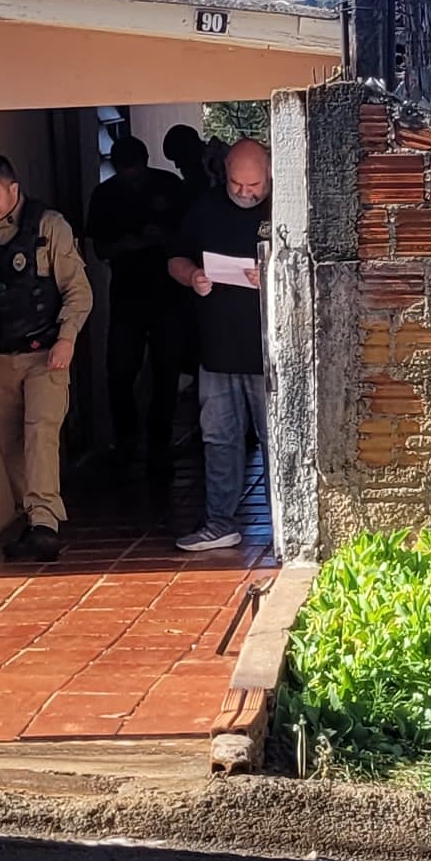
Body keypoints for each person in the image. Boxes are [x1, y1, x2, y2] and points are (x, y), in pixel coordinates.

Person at [0, 152, 90, 562]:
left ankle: (46, 523)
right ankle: (32, 519)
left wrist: (67, 339)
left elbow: (78, 291)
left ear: (13, 189)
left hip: (45, 354)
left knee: (39, 434)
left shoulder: (49, 228)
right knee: (10, 443)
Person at [169, 137, 272, 554]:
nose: (246, 193)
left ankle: (288, 525)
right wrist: (193, 276)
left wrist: (272, 274)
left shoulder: (286, 207)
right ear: (225, 172)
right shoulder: (205, 208)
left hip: (269, 353)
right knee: (219, 439)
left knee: (277, 439)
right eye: (237, 185)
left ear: (268, 176)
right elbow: (174, 259)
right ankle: (219, 523)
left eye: (254, 186)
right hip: (216, 350)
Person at [81, 132, 188, 492]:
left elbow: (189, 236)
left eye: (136, 172)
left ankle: (160, 448)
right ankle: (126, 445)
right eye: (125, 172)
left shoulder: (168, 186)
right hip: (127, 293)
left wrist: (161, 238)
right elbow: (99, 249)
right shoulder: (105, 195)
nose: (131, 178)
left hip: (169, 292)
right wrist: (126, 244)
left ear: (145, 163)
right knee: (120, 370)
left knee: (166, 370)